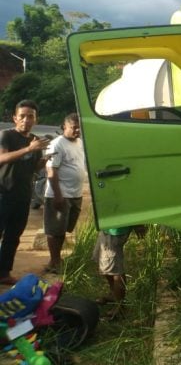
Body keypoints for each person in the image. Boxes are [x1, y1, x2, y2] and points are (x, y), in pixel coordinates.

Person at [0, 100, 50, 285]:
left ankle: (4, 272)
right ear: (15, 118)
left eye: (30, 116)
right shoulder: (6, 135)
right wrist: (28, 149)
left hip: (23, 196)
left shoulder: (35, 140)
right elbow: (2, 158)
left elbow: (32, 169)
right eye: (22, 116)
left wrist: (42, 161)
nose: (26, 120)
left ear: (36, 119)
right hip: (3, 194)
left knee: (13, 236)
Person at [43, 113, 86, 273]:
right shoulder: (56, 144)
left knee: (64, 228)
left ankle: (56, 260)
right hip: (60, 194)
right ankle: (54, 262)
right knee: (55, 230)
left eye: (78, 127)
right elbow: (51, 170)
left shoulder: (80, 142)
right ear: (64, 127)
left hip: (76, 194)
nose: (77, 130)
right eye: (73, 127)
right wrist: (58, 195)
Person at [92, 225, 146, 320]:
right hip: (108, 227)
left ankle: (120, 306)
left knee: (115, 270)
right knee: (105, 266)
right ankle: (114, 295)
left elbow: (130, 209)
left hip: (116, 230)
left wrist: (139, 226)